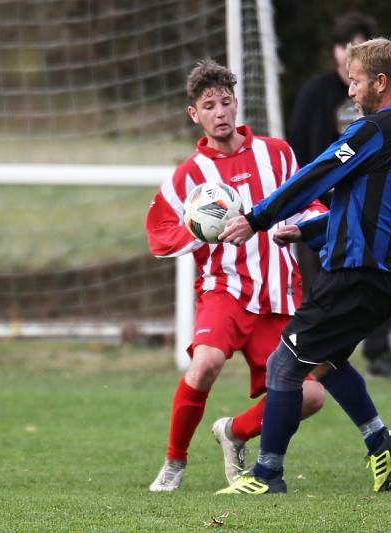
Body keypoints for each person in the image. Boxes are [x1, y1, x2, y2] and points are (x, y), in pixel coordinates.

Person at [216, 38, 391, 495]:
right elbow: (373, 211)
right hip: (378, 279)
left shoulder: (375, 131)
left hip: (357, 277)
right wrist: (308, 232)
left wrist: (257, 218)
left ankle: (267, 475)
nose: (351, 92)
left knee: (283, 366)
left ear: (381, 82)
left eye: (355, 82)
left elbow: (315, 174)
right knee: (325, 361)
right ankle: (380, 442)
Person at [145, 59, 327, 492]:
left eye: (226, 102)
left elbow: (310, 201)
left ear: (236, 103)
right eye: (209, 105)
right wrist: (200, 231)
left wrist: (300, 225)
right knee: (204, 362)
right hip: (224, 289)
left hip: (279, 294)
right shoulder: (188, 176)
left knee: (312, 395)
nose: (220, 112)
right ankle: (174, 461)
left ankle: (235, 432)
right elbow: (159, 234)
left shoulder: (277, 153)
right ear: (195, 114)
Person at [288, 11, 391, 378]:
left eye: (356, 44)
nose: (347, 53)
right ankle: (309, 359)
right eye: (342, 45)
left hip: (368, 212)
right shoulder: (315, 93)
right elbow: (301, 154)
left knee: (374, 279)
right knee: (319, 290)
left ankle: (379, 354)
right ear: (333, 51)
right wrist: (308, 201)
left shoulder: (387, 109)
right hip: (319, 209)